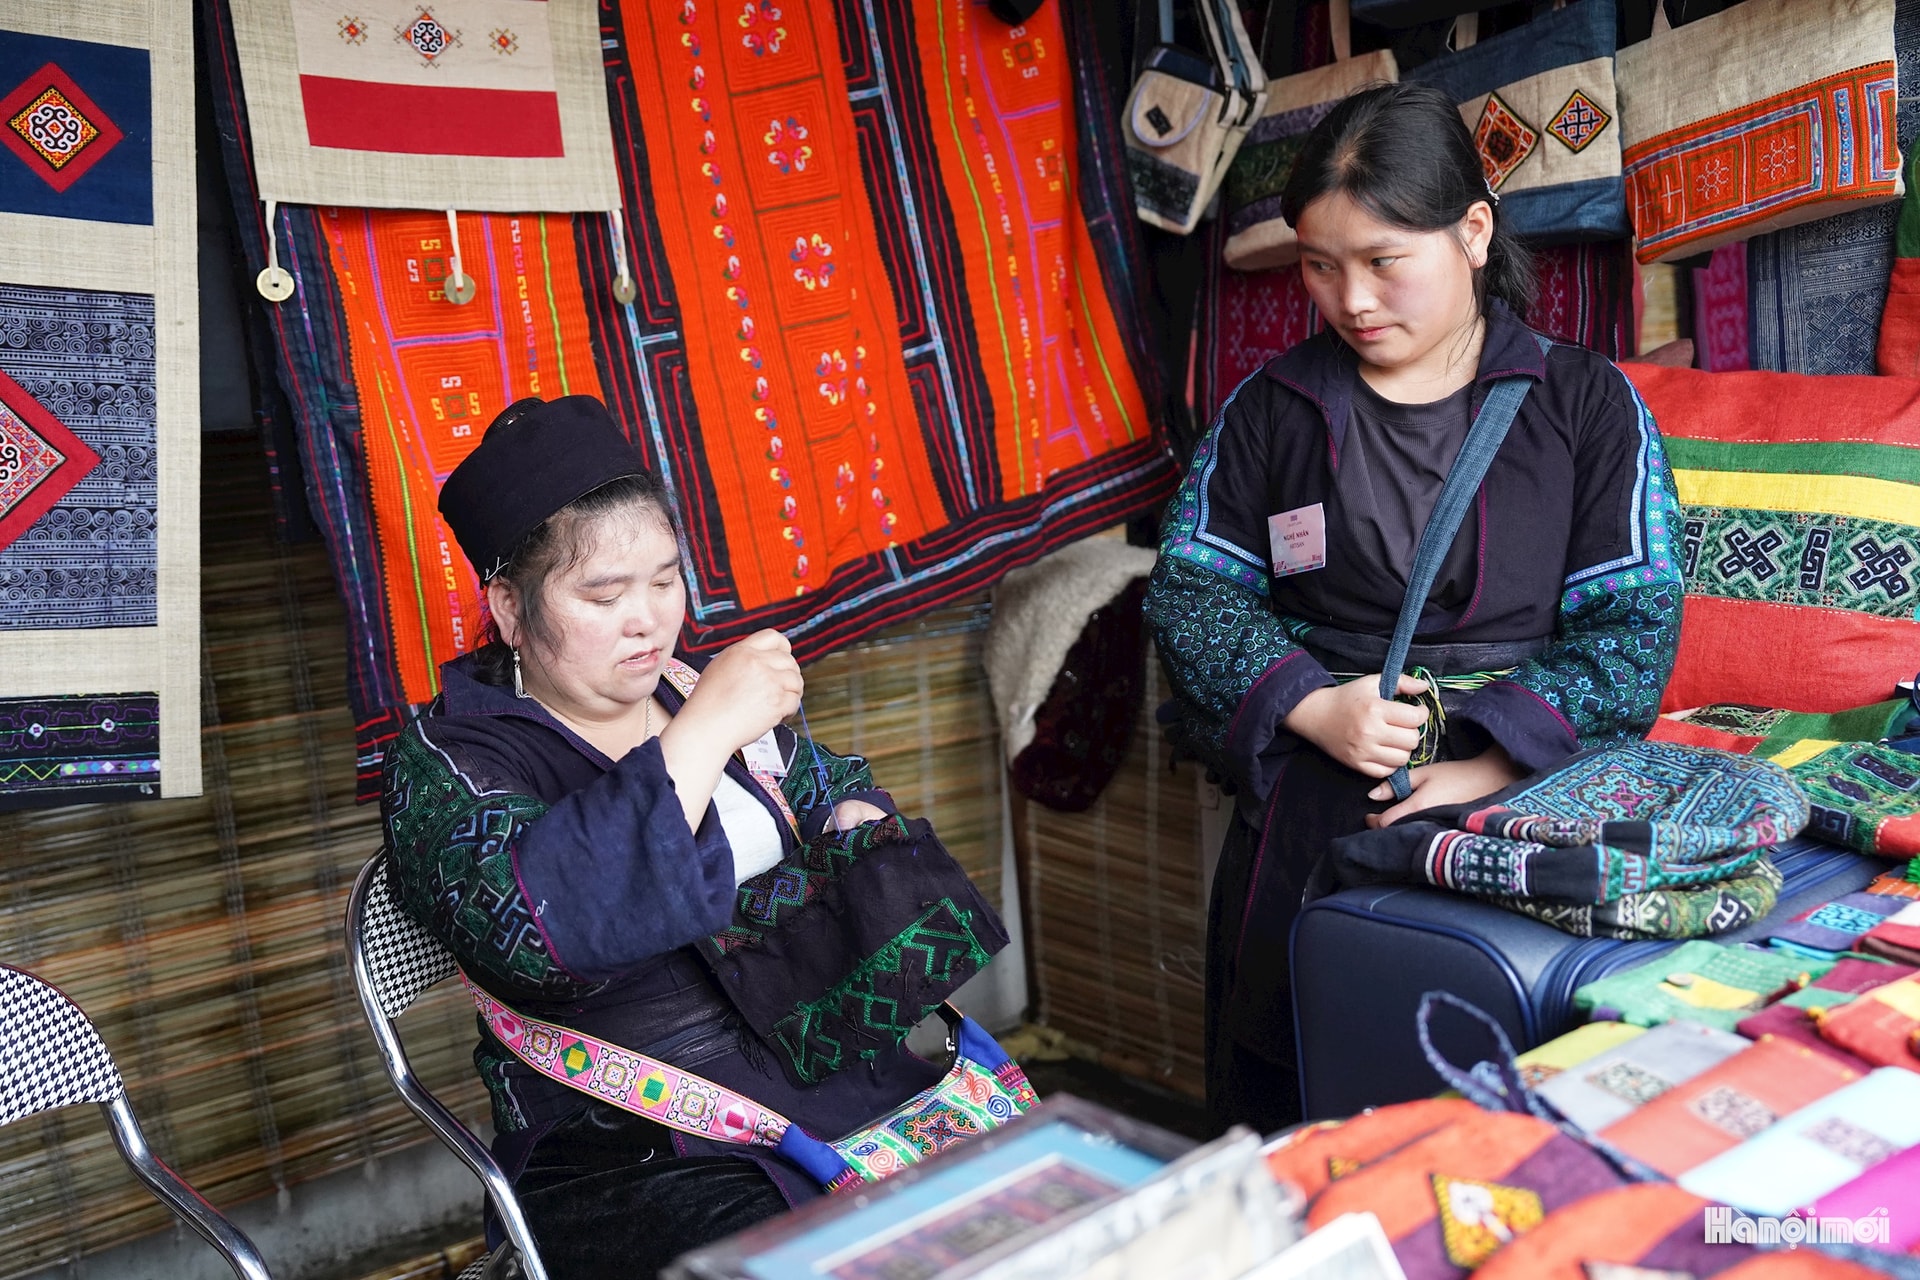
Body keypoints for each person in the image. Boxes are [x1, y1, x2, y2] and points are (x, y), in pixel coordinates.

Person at [1145, 82, 1683, 1134]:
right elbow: (1189, 588)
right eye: (1320, 264)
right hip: (1307, 830)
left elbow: (1633, 632)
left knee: (1495, 1130)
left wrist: (1494, 765)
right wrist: (1313, 705)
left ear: (1473, 232)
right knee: (1303, 1114)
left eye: (1383, 260)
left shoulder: (1587, 406)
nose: (1351, 298)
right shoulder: (1274, 409)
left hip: (1517, 825)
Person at [381, 396, 1002, 1276]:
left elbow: (830, 782)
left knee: (1013, 1194)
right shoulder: (447, 762)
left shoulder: (687, 687)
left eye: (665, 580)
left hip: (816, 1058)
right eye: (603, 594)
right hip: (621, 1142)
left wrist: (853, 820)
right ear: (511, 609)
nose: (647, 619)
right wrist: (703, 733)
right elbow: (532, 933)